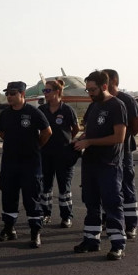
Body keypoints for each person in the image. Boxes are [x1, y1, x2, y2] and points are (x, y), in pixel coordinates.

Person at [73, 70, 128, 260]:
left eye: (93, 90)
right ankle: (91, 240)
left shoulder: (117, 106)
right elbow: (88, 131)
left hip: (108, 164)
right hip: (90, 163)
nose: (90, 93)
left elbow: (119, 137)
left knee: (112, 204)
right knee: (91, 203)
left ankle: (117, 244)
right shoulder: (93, 106)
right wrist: (81, 138)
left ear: (104, 86)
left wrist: (89, 142)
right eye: (87, 90)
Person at [0, 81, 52, 248]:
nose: (9, 96)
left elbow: (47, 132)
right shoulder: (5, 114)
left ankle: (35, 232)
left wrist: (36, 146)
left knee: (32, 198)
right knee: (8, 196)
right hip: (10, 162)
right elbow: (1, 131)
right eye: (7, 93)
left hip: (30, 163)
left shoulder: (33, 112)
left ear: (22, 94)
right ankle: (9, 229)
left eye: (13, 93)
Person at [102, 69, 138, 239]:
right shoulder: (102, 100)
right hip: (106, 151)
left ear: (113, 81)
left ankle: (131, 224)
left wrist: (124, 138)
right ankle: (109, 219)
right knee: (109, 187)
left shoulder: (126, 100)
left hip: (124, 151)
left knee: (126, 186)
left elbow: (137, 124)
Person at [38, 79, 79, 228]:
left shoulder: (67, 110)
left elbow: (75, 129)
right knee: (45, 187)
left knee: (64, 188)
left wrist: (66, 140)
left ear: (57, 91)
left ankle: (66, 217)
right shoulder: (41, 110)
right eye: (44, 91)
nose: (45, 93)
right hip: (45, 154)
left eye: (48, 90)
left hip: (63, 154)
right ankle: (45, 214)